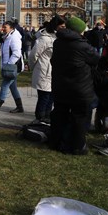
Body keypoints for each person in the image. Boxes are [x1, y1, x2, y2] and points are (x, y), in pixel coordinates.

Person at [49, 16, 99, 155]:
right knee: (79, 118)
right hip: (80, 88)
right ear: (79, 31)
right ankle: (78, 146)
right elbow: (95, 59)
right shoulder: (82, 45)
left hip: (61, 86)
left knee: (59, 115)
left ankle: (56, 142)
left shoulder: (58, 42)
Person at [27, 16, 65, 123]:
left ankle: (47, 117)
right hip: (44, 70)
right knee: (44, 97)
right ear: (56, 26)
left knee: (51, 97)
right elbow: (33, 55)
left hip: (54, 71)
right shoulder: (44, 38)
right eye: (62, 26)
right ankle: (40, 118)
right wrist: (33, 67)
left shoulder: (58, 37)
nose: (64, 28)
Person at [0, 21, 24, 114]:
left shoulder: (14, 37)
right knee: (13, 87)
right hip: (10, 66)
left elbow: (16, 54)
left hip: (14, 67)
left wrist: (8, 64)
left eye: (5, 27)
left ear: (11, 28)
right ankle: (20, 107)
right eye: (2, 27)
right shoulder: (7, 37)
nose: (2, 29)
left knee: (5, 85)